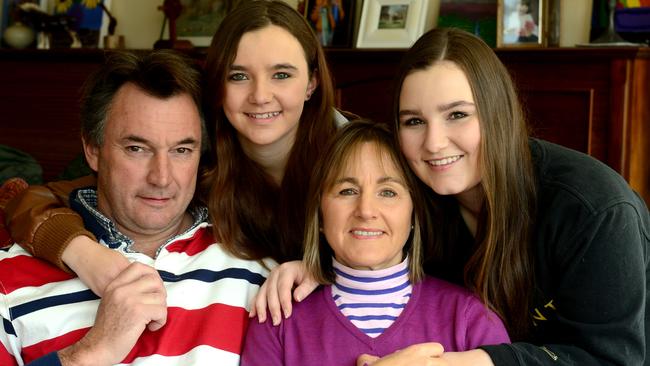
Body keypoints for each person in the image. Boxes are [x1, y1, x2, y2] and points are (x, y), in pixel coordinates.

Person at [252, 28, 650, 365]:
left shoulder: (592, 209)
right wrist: (320, 265)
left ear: (498, 113)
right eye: (413, 121)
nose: (434, 142)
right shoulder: (426, 192)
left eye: (457, 114)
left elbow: (613, 359)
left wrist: (476, 359)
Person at [3, 0, 343, 310]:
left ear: (312, 82)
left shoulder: (357, 154)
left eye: (281, 74)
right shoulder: (199, 151)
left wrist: (327, 271)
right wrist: (82, 253)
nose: (260, 95)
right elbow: (36, 198)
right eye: (238, 75)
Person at [0, 50, 271, 365]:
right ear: (92, 149)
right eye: (137, 148)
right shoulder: (7, 281)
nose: (162, 177)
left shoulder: (261, 272)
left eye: (182, 150)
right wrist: (91, 352)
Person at [241, 120, 509, 365]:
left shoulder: (470, 320)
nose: (366, 210)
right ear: (320, 215)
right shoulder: (277, 320)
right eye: (347, 191)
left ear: (413, 214)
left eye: (388, 192)